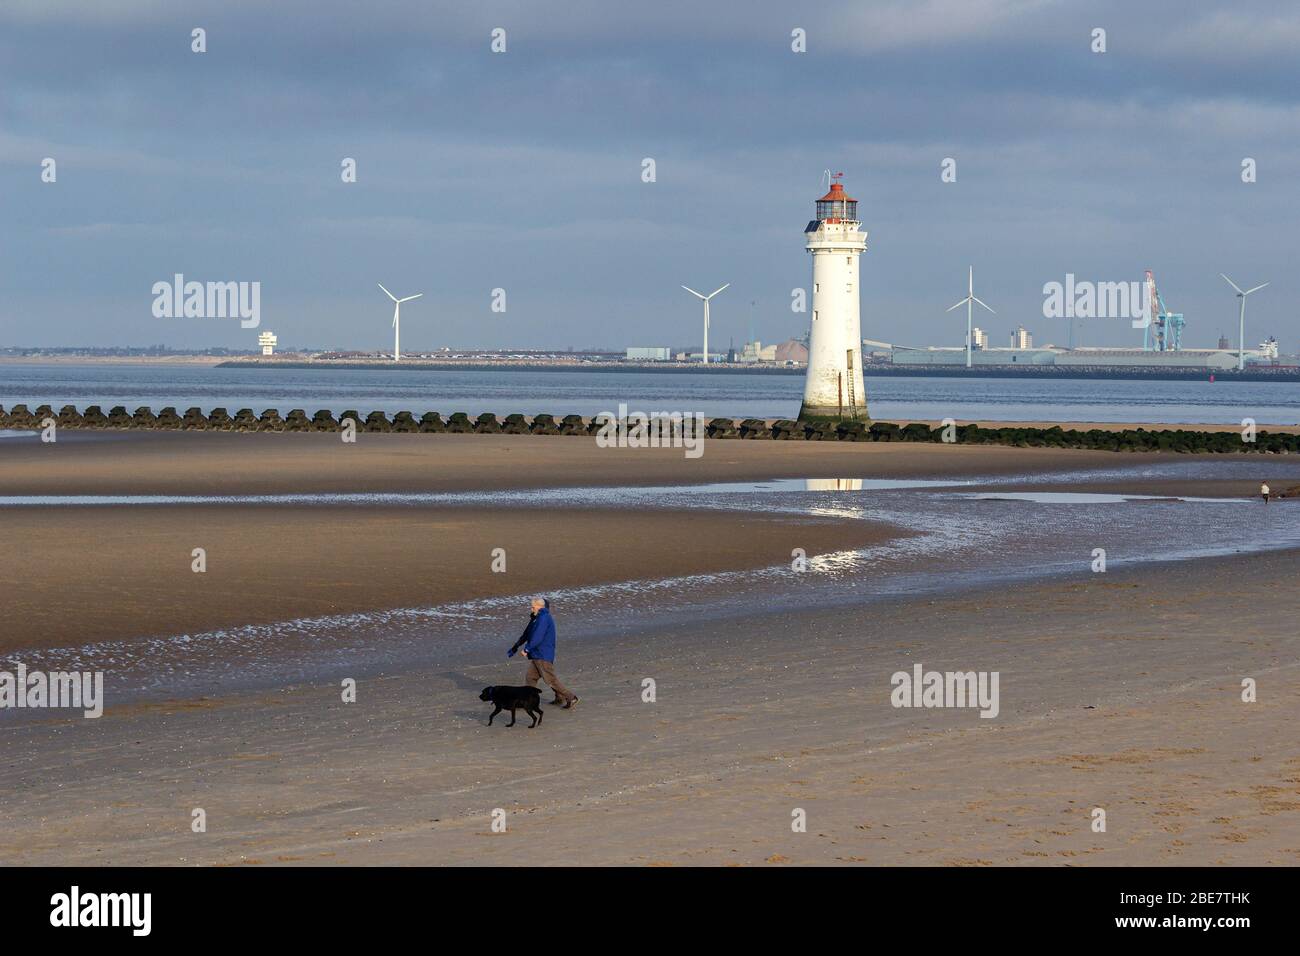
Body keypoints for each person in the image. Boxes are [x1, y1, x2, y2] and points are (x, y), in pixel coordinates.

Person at [508, 597, 578, 709]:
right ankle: (530, 700)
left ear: (540, 606)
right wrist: (515, 646)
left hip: (542, 654)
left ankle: (571, 697)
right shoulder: (536, 618)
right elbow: (527, 634)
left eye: (533, 607)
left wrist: (527, 649)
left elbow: (538, 636)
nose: (531, 609)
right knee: (531, 678)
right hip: (536, 655)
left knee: (550, 679)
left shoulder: (544, 618)